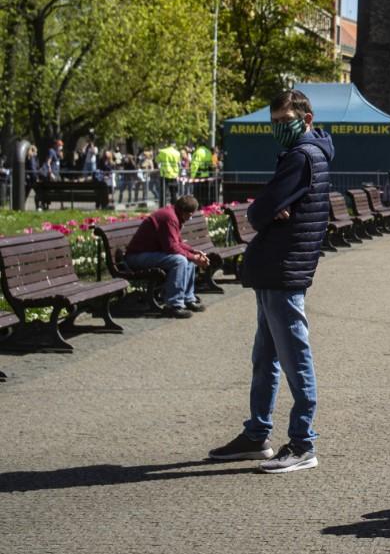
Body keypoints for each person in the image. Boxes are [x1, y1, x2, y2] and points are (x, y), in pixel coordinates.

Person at [207, 89, 334, 474]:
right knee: (266, 357)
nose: (278, 128)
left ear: (306, 119)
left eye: (284, 121)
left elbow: (259, 213)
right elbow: (267, 210)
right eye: (274, 122)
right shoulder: (310, 153)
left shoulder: (301, 156)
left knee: (294, 356)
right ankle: (257, 434)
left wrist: (267, 210)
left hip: (284, 267)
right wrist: (269, 210)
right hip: (279, 267)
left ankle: (302, 443)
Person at [125, 195, 209, 318]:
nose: (190, 218)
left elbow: (177, 243)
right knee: (179, 260)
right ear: (184, 212)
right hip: (136, 257)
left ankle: (188, 298)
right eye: (190, 215)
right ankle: (173, 305)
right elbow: (171, 248)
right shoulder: (169, 218)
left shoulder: (174, 215)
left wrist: (194, 252)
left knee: (188, 259)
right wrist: (193, 257)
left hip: (148, 254)